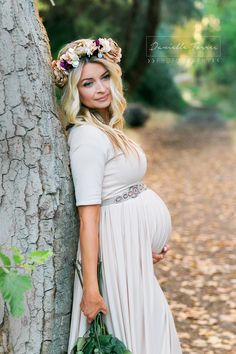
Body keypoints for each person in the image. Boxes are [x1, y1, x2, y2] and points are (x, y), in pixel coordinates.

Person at [52, 37, 182, 354]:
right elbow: (89, 215)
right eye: (88, 83)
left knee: (149, 330)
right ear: (74, 92)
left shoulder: (105, 128)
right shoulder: (85, 138)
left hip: (130, 254)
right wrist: (92, 291)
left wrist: (142, 243)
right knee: (138, 337)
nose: (100, 88)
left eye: (105, 77)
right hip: (115, 261)